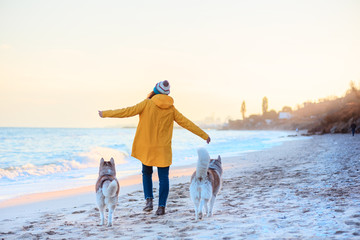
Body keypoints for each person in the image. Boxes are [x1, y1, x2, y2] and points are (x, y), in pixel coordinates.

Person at [98, 80, 210, 215]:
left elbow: (126, 111)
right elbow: (187, 123)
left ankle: (149, 201)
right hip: (163, 149)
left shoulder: (147, 104)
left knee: (146, 173)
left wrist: (105, 113)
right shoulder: (171, 109)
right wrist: (204, 135)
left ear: (155, 90)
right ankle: (161, 207)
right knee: (164, 178)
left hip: (147, 148)